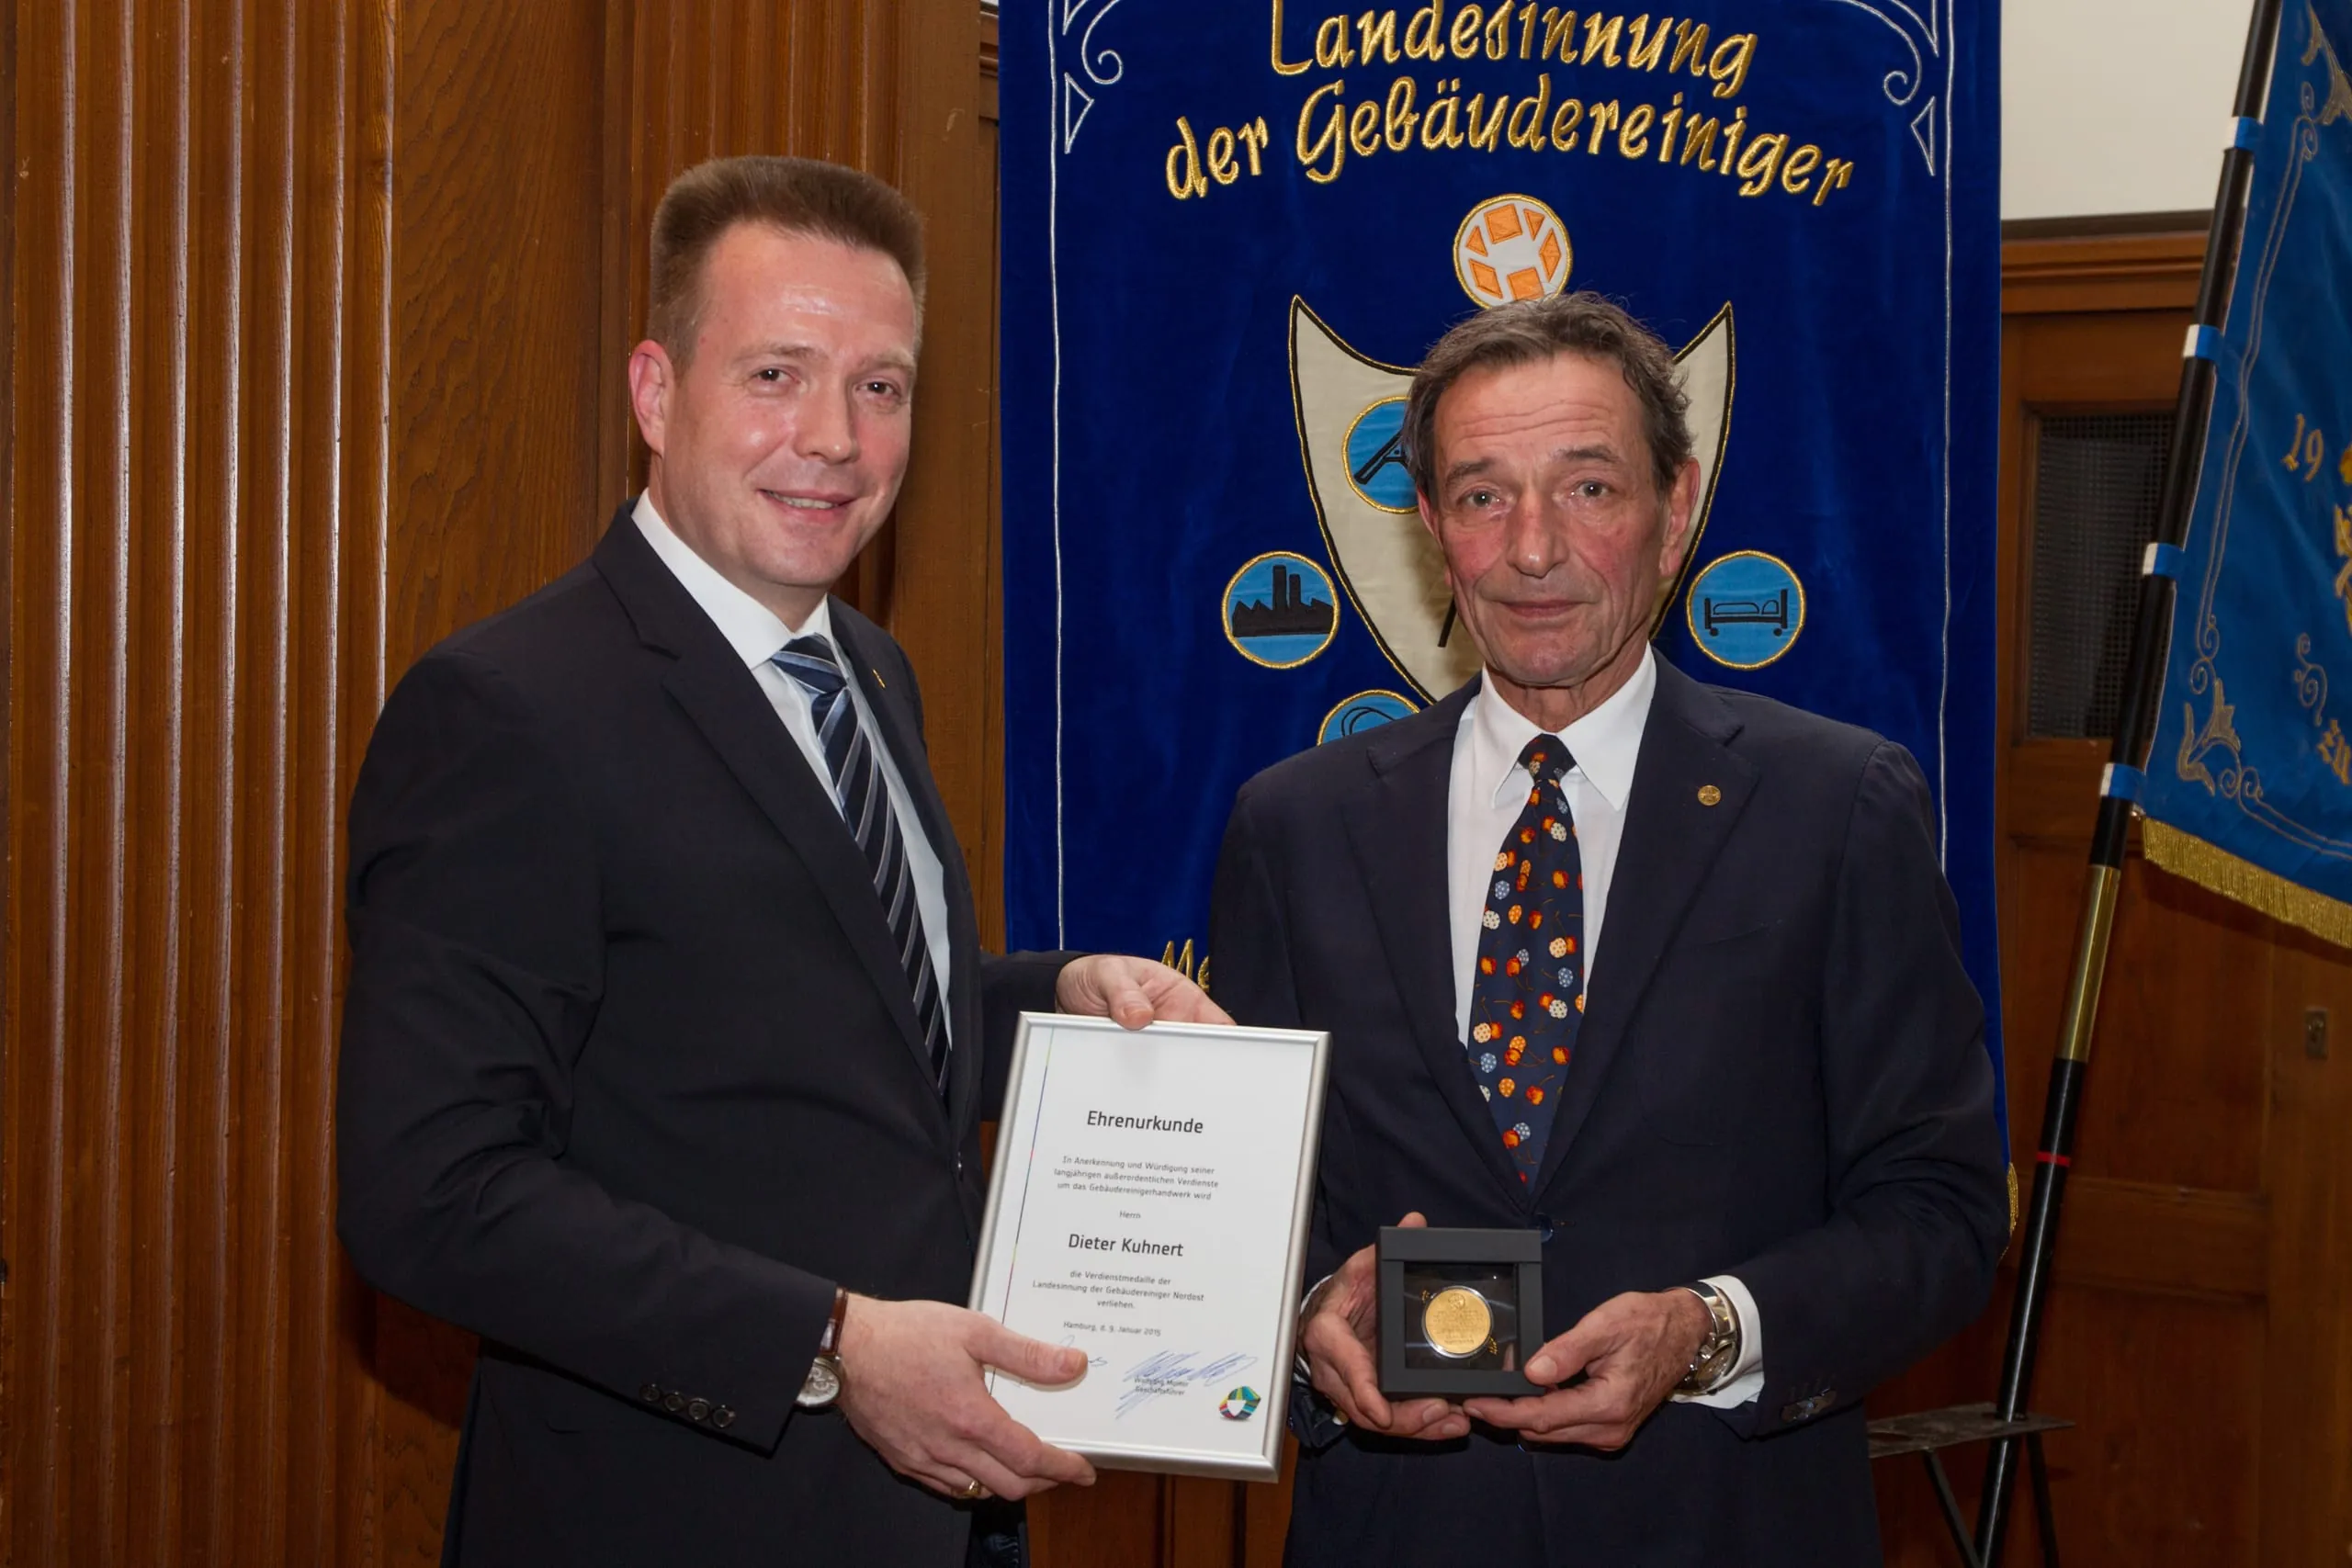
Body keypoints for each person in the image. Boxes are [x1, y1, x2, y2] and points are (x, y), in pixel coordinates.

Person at [336, 154, 1223, 1568]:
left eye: (881, 386)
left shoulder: (867, 670)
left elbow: (833, 1020)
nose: (834, 439)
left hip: (932, 1514)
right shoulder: (507, 712)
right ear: (655, 392)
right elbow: (430, 1193)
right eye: (774, 375)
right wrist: (828, 1342)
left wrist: (1060, 995)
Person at [1208, 291, 2007, 1564]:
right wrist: (1309, 1318)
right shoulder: (1295, 827)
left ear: (1675, 509)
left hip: (1727, 1525)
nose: (1533, 549)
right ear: (1432, 528)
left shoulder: (1838, 809)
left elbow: (1943, 1210)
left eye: (1588, 488)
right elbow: (1249, 1196)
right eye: (1482, 495)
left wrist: (1709, 1330)